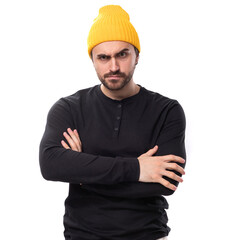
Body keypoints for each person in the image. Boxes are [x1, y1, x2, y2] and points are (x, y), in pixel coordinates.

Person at [39, 5, 186, 240]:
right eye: (103, 57)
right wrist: (137, 169)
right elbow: (50, 165)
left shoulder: (167, 110)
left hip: (147, 234)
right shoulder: (68, 108)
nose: (114, 66)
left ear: (137, 55)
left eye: (122, 54)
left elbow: (165, 183)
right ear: (93, 59)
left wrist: (83, 174)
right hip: (82, 235)